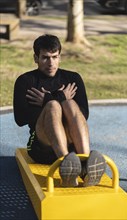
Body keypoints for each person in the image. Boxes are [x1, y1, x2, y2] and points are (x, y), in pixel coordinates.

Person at [13, 34, 106, 187]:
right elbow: (20, 118)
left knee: (69, 104)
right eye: (45, 58)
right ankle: (67, 168)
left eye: (55, 57)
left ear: (60, 57)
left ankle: (84, 165)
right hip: (41, 146)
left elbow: (84, 114)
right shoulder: (25, 81)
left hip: (73, 148)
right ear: (36, 58)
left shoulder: (73, 78)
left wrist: (50, 98)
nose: (51, 63)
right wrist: (52, 100)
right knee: (53, 106)